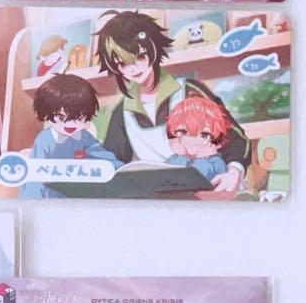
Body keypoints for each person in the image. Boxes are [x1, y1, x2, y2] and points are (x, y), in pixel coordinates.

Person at [94, 11, 250, 193]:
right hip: (161, 195)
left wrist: (234, 172)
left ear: (153, 49)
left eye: (140, 57)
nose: (133, 68)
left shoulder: (190, 91)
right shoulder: (122, 111)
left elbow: (236, 138)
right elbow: (112, 162)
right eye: (122, 63)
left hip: (211, 188)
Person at [18, 73, 120, 199]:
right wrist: (30, 203)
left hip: (78, 196)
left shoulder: (84, 137)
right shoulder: (44, 140)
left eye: (78, 117)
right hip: (51, 198)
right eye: (61, 117)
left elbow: (104, 157)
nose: (71, 123)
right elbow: (34, 176)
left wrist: (120, 170)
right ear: (46, 114)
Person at [165, 95, 233, 184]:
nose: (193, 141)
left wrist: (201, 158)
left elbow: (197, 180)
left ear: (216, 140)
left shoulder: (216, 162)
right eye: (183, 133)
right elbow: (169, 179)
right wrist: (181, 155)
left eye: (204, 135)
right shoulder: (174, 159)